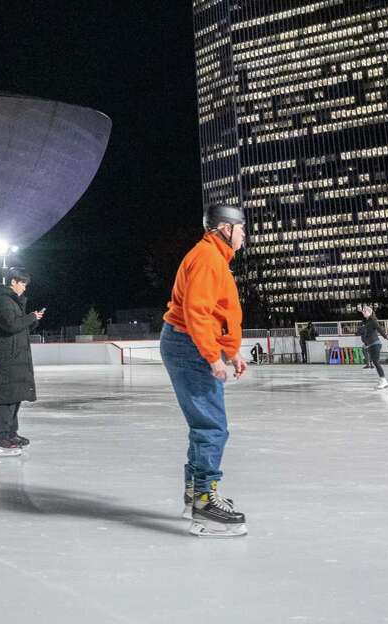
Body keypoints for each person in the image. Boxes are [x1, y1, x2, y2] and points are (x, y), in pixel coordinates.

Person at [161, 203, 248, 537]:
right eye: (241, 228)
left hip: (188, 344)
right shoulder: (208, 259)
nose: (244, 234)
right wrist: (213, 357)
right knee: (212, 426)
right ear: (225, 228)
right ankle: (204, 503)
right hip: (190, 346)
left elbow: (217, 313)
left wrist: (230, 351)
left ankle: (194, 494)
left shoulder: (213, 257)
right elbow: (197, 313)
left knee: (204, 424)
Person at [0, 267, 43, 457]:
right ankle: (0, 437)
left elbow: (19, 325)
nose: (24, 288)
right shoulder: (3, 301)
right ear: (13, 282)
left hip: (16, 357)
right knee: (7, 398)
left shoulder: (13, 302)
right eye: (23, 283)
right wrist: (30, 317)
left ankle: (11, 433)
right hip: (7, 358)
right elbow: (10, 325)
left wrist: (33, 319)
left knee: (16, 396)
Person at [358, 305, 388, 389]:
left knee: (376, 362)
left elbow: (379, 328)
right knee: (375, 362)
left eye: (365, 311)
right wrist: (365, 343)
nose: (363, 312)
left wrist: (385, 336)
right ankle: (382, 379)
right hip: (371, 345)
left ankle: (383, 380)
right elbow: (367, 334)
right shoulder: (367, 321)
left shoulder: (373, 320)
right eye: (363, 311)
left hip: (376, 344)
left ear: (370, 312)